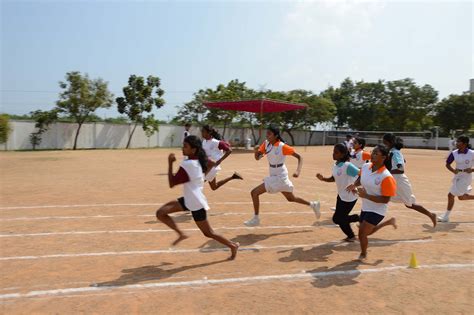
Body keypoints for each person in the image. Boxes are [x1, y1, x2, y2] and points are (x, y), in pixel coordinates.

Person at [155, 135, 239, 260]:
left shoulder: (188, 164)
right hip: (190, 199)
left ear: (193, 150)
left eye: (185, 146)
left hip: (196, 203)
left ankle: (232, 245)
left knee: (208, 233)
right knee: (161, 213)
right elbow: (211, 163)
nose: (182, 148)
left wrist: (170, 163)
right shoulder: (199, 161)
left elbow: (172, 183)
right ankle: (181, 234)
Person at [244, 125, 320, 226]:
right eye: (267, 133)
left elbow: (300, 157)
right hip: (274, 174)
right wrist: (256, 152)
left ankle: (256, 218)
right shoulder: (266, 144)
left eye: (269, 134)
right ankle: (313, 204)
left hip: (280, 176)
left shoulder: (282, 146)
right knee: (291, 198)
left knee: (254, 193)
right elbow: (257, 158)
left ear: (275, 135)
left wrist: (298, 171)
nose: (267, 135)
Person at [346, 145, 397, 262]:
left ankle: (363, 254)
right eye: (372, 152)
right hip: (366, 207)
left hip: (378, 210)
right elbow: (361, 178)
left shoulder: (386, 177)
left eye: (376, 153)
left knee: (362, 233)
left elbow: (385, 200)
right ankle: (388, 222)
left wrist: (366, 196)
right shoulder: (365, 166)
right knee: (366, 232)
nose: (372, 155)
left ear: (383, 157)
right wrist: (355, 184)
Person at [382, 133, 437, 227]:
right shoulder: (391, 151)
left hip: (399, 181)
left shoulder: (395, 152)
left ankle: (431, 215)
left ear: (388, 142)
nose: (384, 144)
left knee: (409, 204)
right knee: (382, 197)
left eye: (385, 142)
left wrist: (387, 171)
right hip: (393, 180)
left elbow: (401, 169)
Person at [317, 144, 360, 242]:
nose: (333, 154)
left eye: (336, 152)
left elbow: (362, 174)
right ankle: (351, 235)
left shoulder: (347, 166)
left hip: (350, 197)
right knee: (339, 219)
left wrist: (355, 185)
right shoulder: (335, 165)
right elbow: (333, 178)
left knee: (338, 219)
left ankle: (358, 218)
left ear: (343, 154)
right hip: (341, 195)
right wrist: (323, 179)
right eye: (333, 151)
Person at [438, 135, 474, 222]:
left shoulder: (472, 153)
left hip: (466, 177)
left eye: (459, 142)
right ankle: (446, 216)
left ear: (465, 144)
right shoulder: (454, 153)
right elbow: (447, 164)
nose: (456, 143)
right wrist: (453, 171)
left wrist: (472, 169)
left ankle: (446, 216)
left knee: (450, 195)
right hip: (457, 176)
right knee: (461, 197)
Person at [201, 125, 243, 190]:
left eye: (203, 131)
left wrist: (219, 161)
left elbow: (229, 150)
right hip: (206, 166)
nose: (202, 133)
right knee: (214, 187)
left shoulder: (216, 142)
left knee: (198, 184)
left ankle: (186, 199)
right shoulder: (204, 141)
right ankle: (233, 177)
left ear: (209, 132)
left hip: (212, 167)